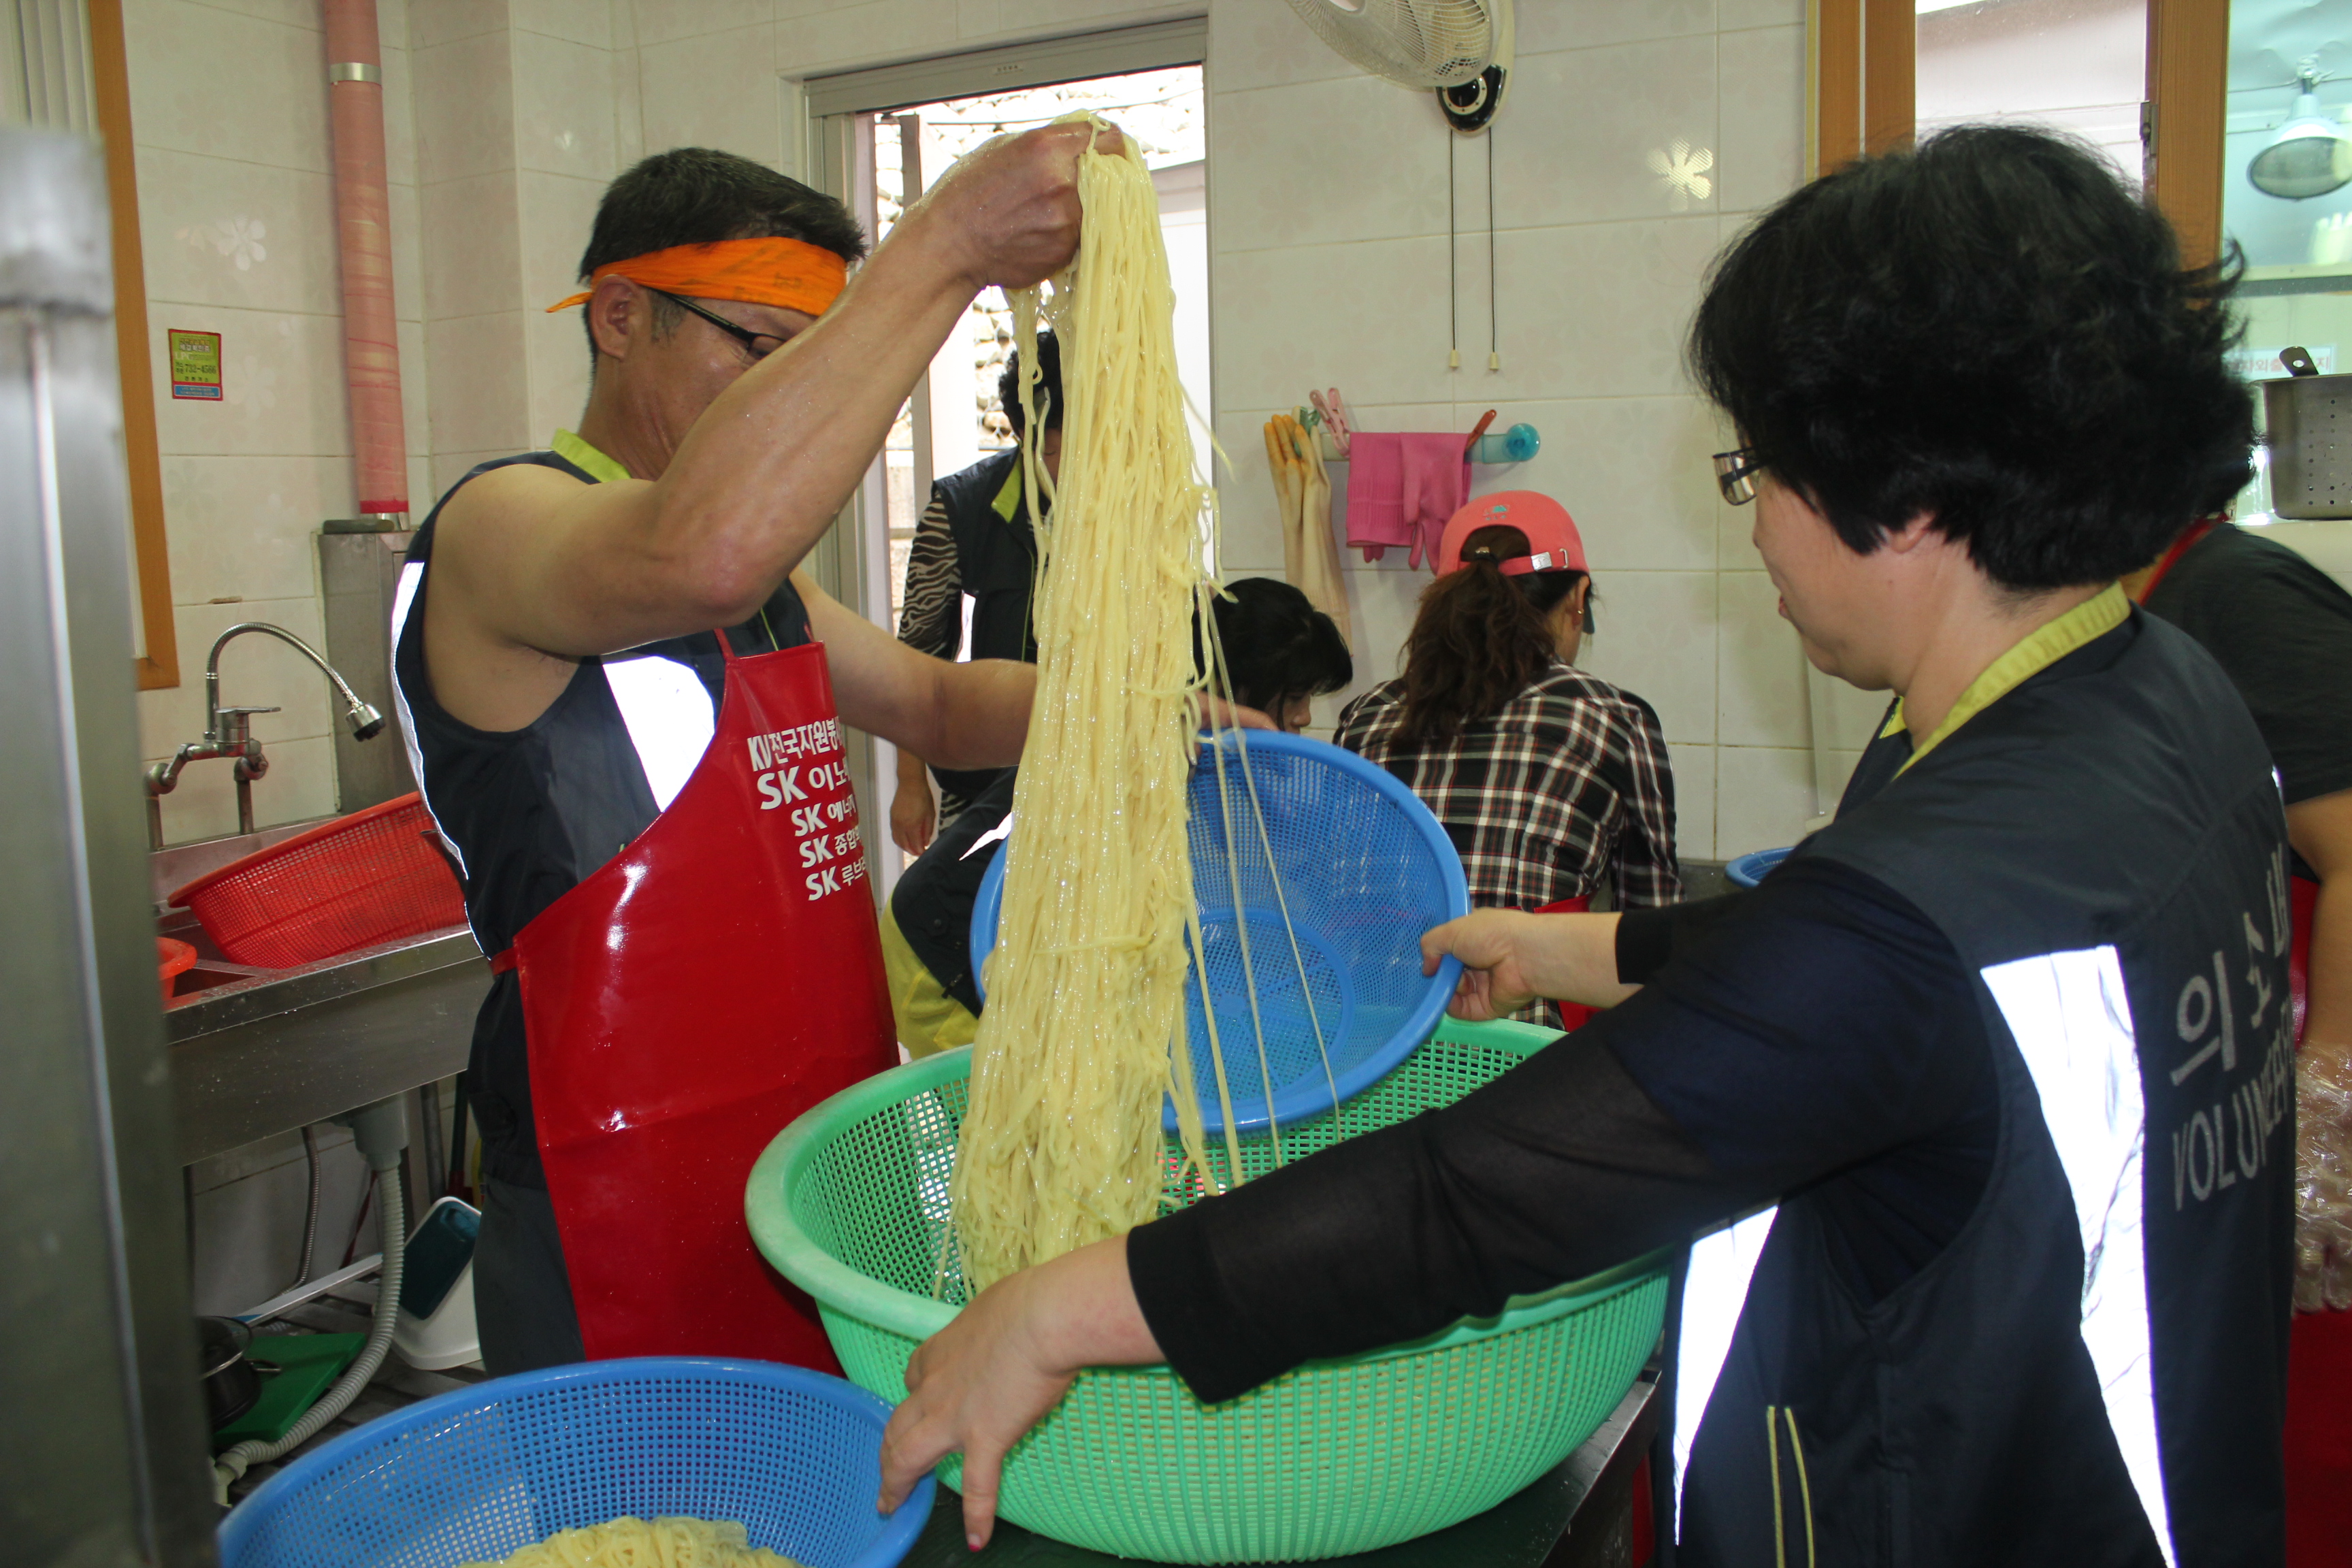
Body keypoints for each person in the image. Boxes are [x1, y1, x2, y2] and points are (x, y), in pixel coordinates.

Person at [875, 127, 2296, 1568]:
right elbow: (1870, 967)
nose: (1757, 528)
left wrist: (1054, 1310)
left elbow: (1472, 1197)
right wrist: (1577, 947)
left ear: (1906, 492)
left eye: (1759, 470)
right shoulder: (2163, 701)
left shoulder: (1912, 920)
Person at [391, 135, 1109, 1376]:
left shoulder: (768, 586)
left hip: (814, 1153)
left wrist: (1138, 704)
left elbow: (940, 705)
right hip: (616, 1183)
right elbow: (698, 553)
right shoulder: (505, 523)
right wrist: (947, 244)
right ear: (621, 317)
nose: (792, 400)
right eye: (767, 352)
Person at [2127, 513, 2352, 1567]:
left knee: (2313, 1458)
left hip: (2301, 1091)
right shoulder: (2133, 607)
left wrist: (2329, 1114)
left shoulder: (2236, 592)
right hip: (2227, 1097)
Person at [879, 578, 1352, 1058]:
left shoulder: (1193, 748)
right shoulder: (1144, 746)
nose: (1303, 717)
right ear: (1239, 686)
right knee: (1019, 1101)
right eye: (1296, 696)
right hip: (942, 952)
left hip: (990, 945)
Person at [1335, 491, 1678, 1027]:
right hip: (1527, 1052)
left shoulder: (1365, 716)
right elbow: (1654, 937)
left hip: (1366, 1044)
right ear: (1578, 599)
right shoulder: (1614, 718)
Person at [889, 333, 1064, 856]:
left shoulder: (1135, 507)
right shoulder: (961, 506)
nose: (1074, 467)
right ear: (1020, 432)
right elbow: (917, 654)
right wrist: (911, 782)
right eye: (1053, 449)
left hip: (1098, 777)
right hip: (987, 782)